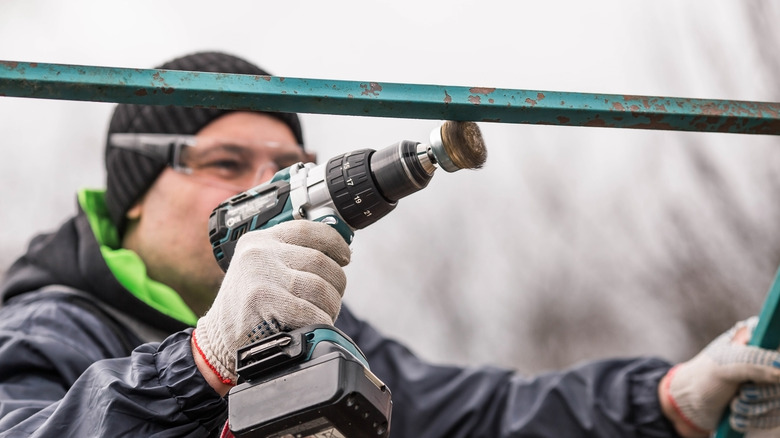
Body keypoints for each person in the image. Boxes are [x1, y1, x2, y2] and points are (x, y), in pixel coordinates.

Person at [0, 51, 778, 438]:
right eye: (227, 164)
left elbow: (482, 417)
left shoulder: (312, 335)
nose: (263, 187)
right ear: (131, 198)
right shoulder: (48, 329)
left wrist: (664, 399)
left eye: (289, 167)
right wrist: (200, 366)